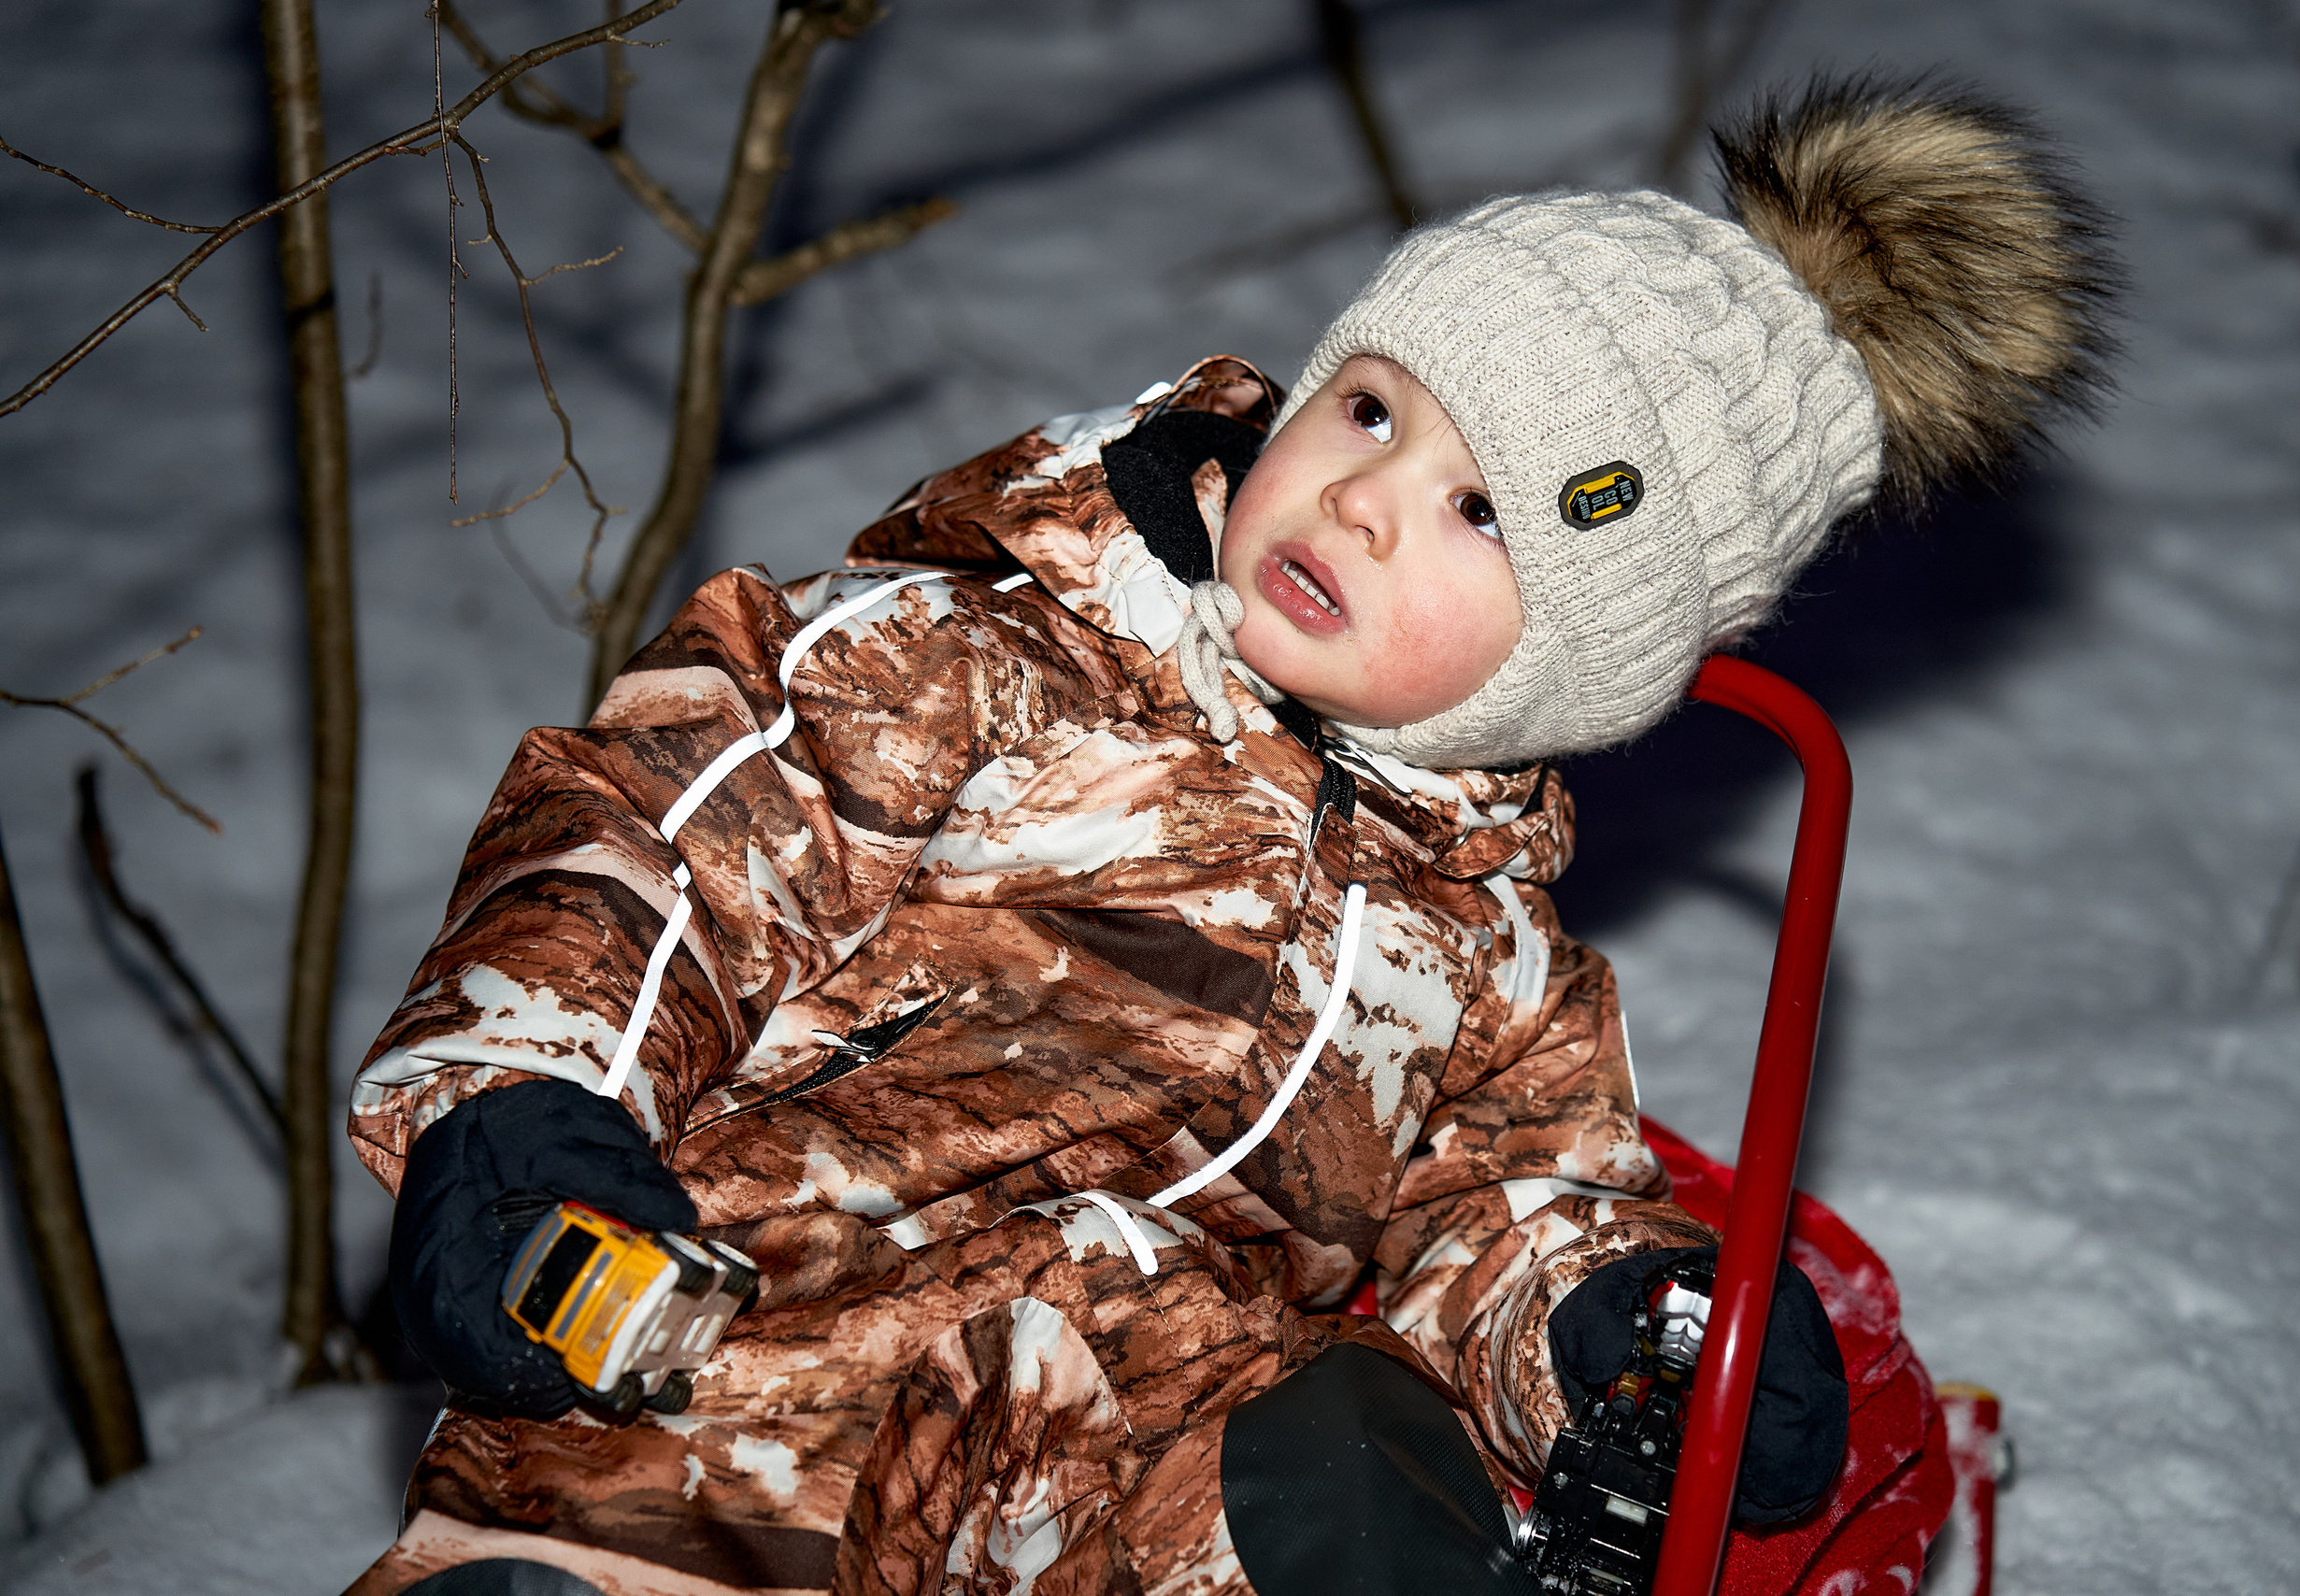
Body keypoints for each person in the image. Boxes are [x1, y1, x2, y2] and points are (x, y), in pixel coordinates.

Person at [344, 75, 2112, 1596]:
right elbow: (664, 843)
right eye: (1370, 409)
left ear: (1581, 669)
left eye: (1479, 509)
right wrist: (529, 1096)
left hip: (1130, 1462)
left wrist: (1619, 1337)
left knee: (1350, 1460)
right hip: (743, 1353)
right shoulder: (996, 654)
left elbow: (1499, 1205)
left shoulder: (1493, 953)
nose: (1359, 495)